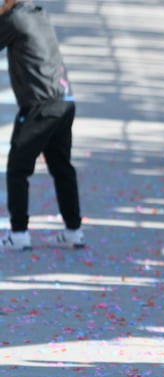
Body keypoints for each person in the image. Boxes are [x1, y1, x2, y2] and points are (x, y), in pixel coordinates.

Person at [0, 0, 84, 251]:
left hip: (40, 106)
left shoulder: (14, 19)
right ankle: (73, 231)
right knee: (61, 168)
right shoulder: (38, 14)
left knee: (17, 169)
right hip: (63, 101)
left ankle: (19, 234)